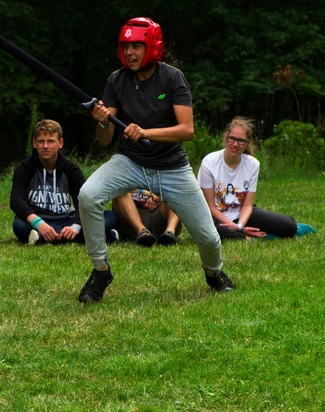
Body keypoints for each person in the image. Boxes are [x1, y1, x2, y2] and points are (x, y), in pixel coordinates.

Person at [77, 17, 234, 304]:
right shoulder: (116, 80)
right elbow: (104, 140)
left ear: (152, 47)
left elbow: (187, 130)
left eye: (136, 46)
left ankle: (214, 274)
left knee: (210, 239)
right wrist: (101, 122)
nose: (130, 53)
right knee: (88, 195)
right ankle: (100, 271)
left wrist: (145, 131)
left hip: (172, 167)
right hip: (129, 161)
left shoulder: (172, 78)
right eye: (126, 46)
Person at [198, 116, 316, 240]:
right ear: (226, 138)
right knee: (212, 232)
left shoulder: (253, 164)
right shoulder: (209, 162)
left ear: (248, 143)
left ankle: (246, 235)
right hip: (216, 217)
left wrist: (239, 226)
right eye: (232, 138)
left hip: (243, 216)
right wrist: (237, 228)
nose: (235, 144)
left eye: (241, 140)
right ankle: (250, 237)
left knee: (289, 226)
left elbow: (248, 205)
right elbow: (210, 207)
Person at [10, 119, 118, 246]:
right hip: (39, 221)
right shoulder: (24, 168)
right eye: (41, 141)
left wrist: (76, 225)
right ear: (34, 143)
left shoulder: (71, 170)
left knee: (109, 216)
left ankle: (43, 239)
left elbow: (84, 200)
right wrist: (38, 223)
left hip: (67, 221)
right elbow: (16, 200)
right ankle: (101, 237)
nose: (45, 146)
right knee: (18, 224)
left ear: (60, 143)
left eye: (50, 141)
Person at [112, 190, 182, 246]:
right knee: (121, 191)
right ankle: (142, 232)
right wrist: (148, 193)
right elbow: (117, 184)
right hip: (131, 221)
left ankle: (170, 233)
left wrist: (159, 198)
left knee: (175, 188)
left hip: (159, 218)